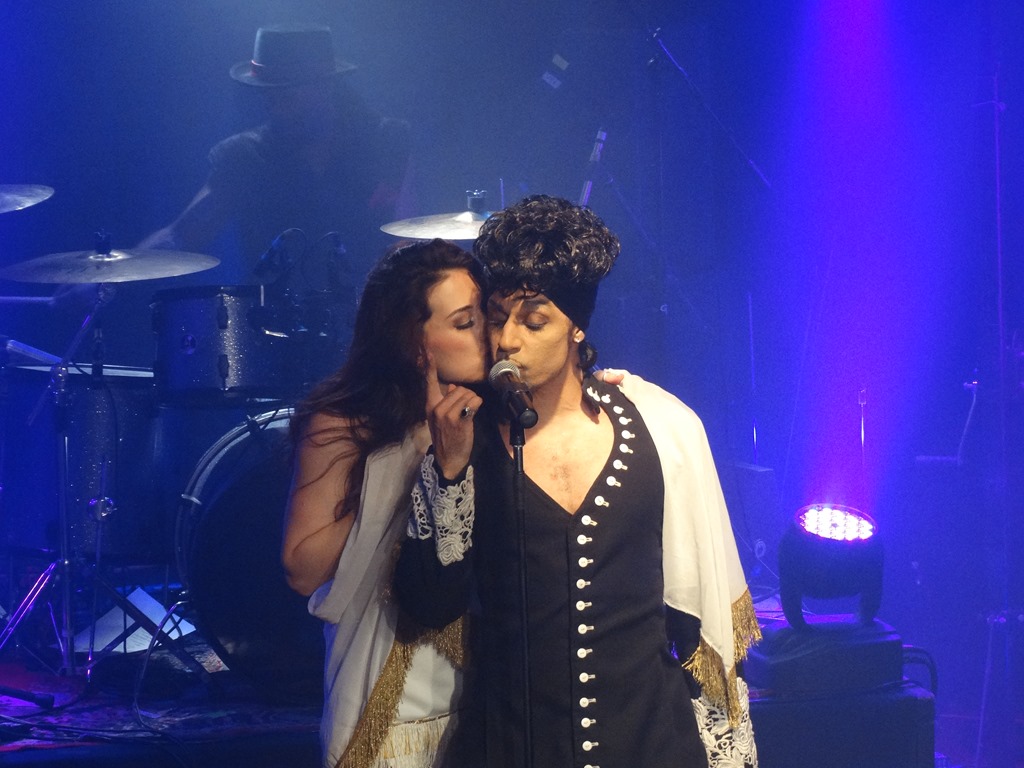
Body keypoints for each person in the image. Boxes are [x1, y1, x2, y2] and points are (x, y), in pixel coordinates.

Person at [395, 195, 761, 768]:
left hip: (650, 744)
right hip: (512, 746)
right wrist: (448, 472)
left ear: (576, 328)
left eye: (533, 320)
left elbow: (696, 622)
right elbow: (429, 604)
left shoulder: (659, 427)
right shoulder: (466, 440)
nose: (507, 339)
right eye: (497, 317)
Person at [282, 239, 486, 768]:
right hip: (389, 701)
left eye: (485, 315)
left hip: (483, 693)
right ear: (417, 346)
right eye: (466, 323)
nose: (488, 333)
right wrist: (414, 460)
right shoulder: (346, 422)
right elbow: (302, 570)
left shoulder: (495, 416)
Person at [138, 23, 412, 288]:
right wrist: (118, 271)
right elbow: (180, 235)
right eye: (269, 97)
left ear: (325, 87)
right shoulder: (243, 157)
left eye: (286, 97)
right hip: (272, 314)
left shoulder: (386, 140)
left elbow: (413, 228)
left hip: (375, 310)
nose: (276, 109)